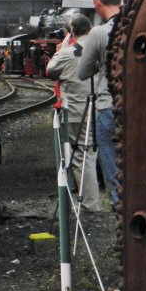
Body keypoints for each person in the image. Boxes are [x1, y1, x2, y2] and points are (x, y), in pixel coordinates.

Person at [46, 13, 107, 212]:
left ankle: (89, 204)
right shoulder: (102, 48)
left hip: (76, 112)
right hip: (101, 108)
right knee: (96, 154)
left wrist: (62, 48)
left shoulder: (69, 53)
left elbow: (50, 71)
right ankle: (102, 199)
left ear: (72, 32)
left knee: (82, 156)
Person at [75, 0, 123, 208]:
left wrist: (101, 64)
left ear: (96, 2)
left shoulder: (98, 33)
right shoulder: (139, 25)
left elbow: (82, 72)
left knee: (114, 169)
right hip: (140, 106)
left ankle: (120, 212)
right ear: (120, 0)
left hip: (109, 105)